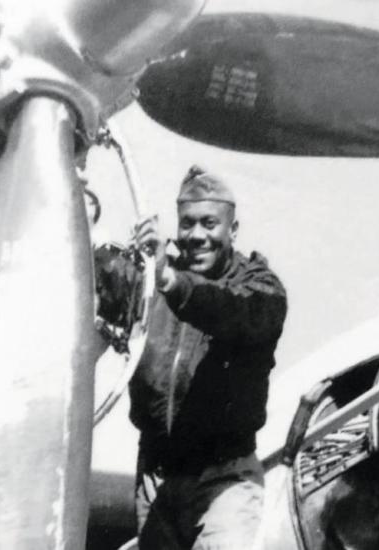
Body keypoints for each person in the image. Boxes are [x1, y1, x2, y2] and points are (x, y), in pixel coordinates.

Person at [128, 165, 288, 550]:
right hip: (156, 478)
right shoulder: (155, 277)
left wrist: (172, 283)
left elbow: (232, 313)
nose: (197, 236)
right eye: (187, 224)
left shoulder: (260, 288)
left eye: (209, 224)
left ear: (232, 230)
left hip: (225, 481)